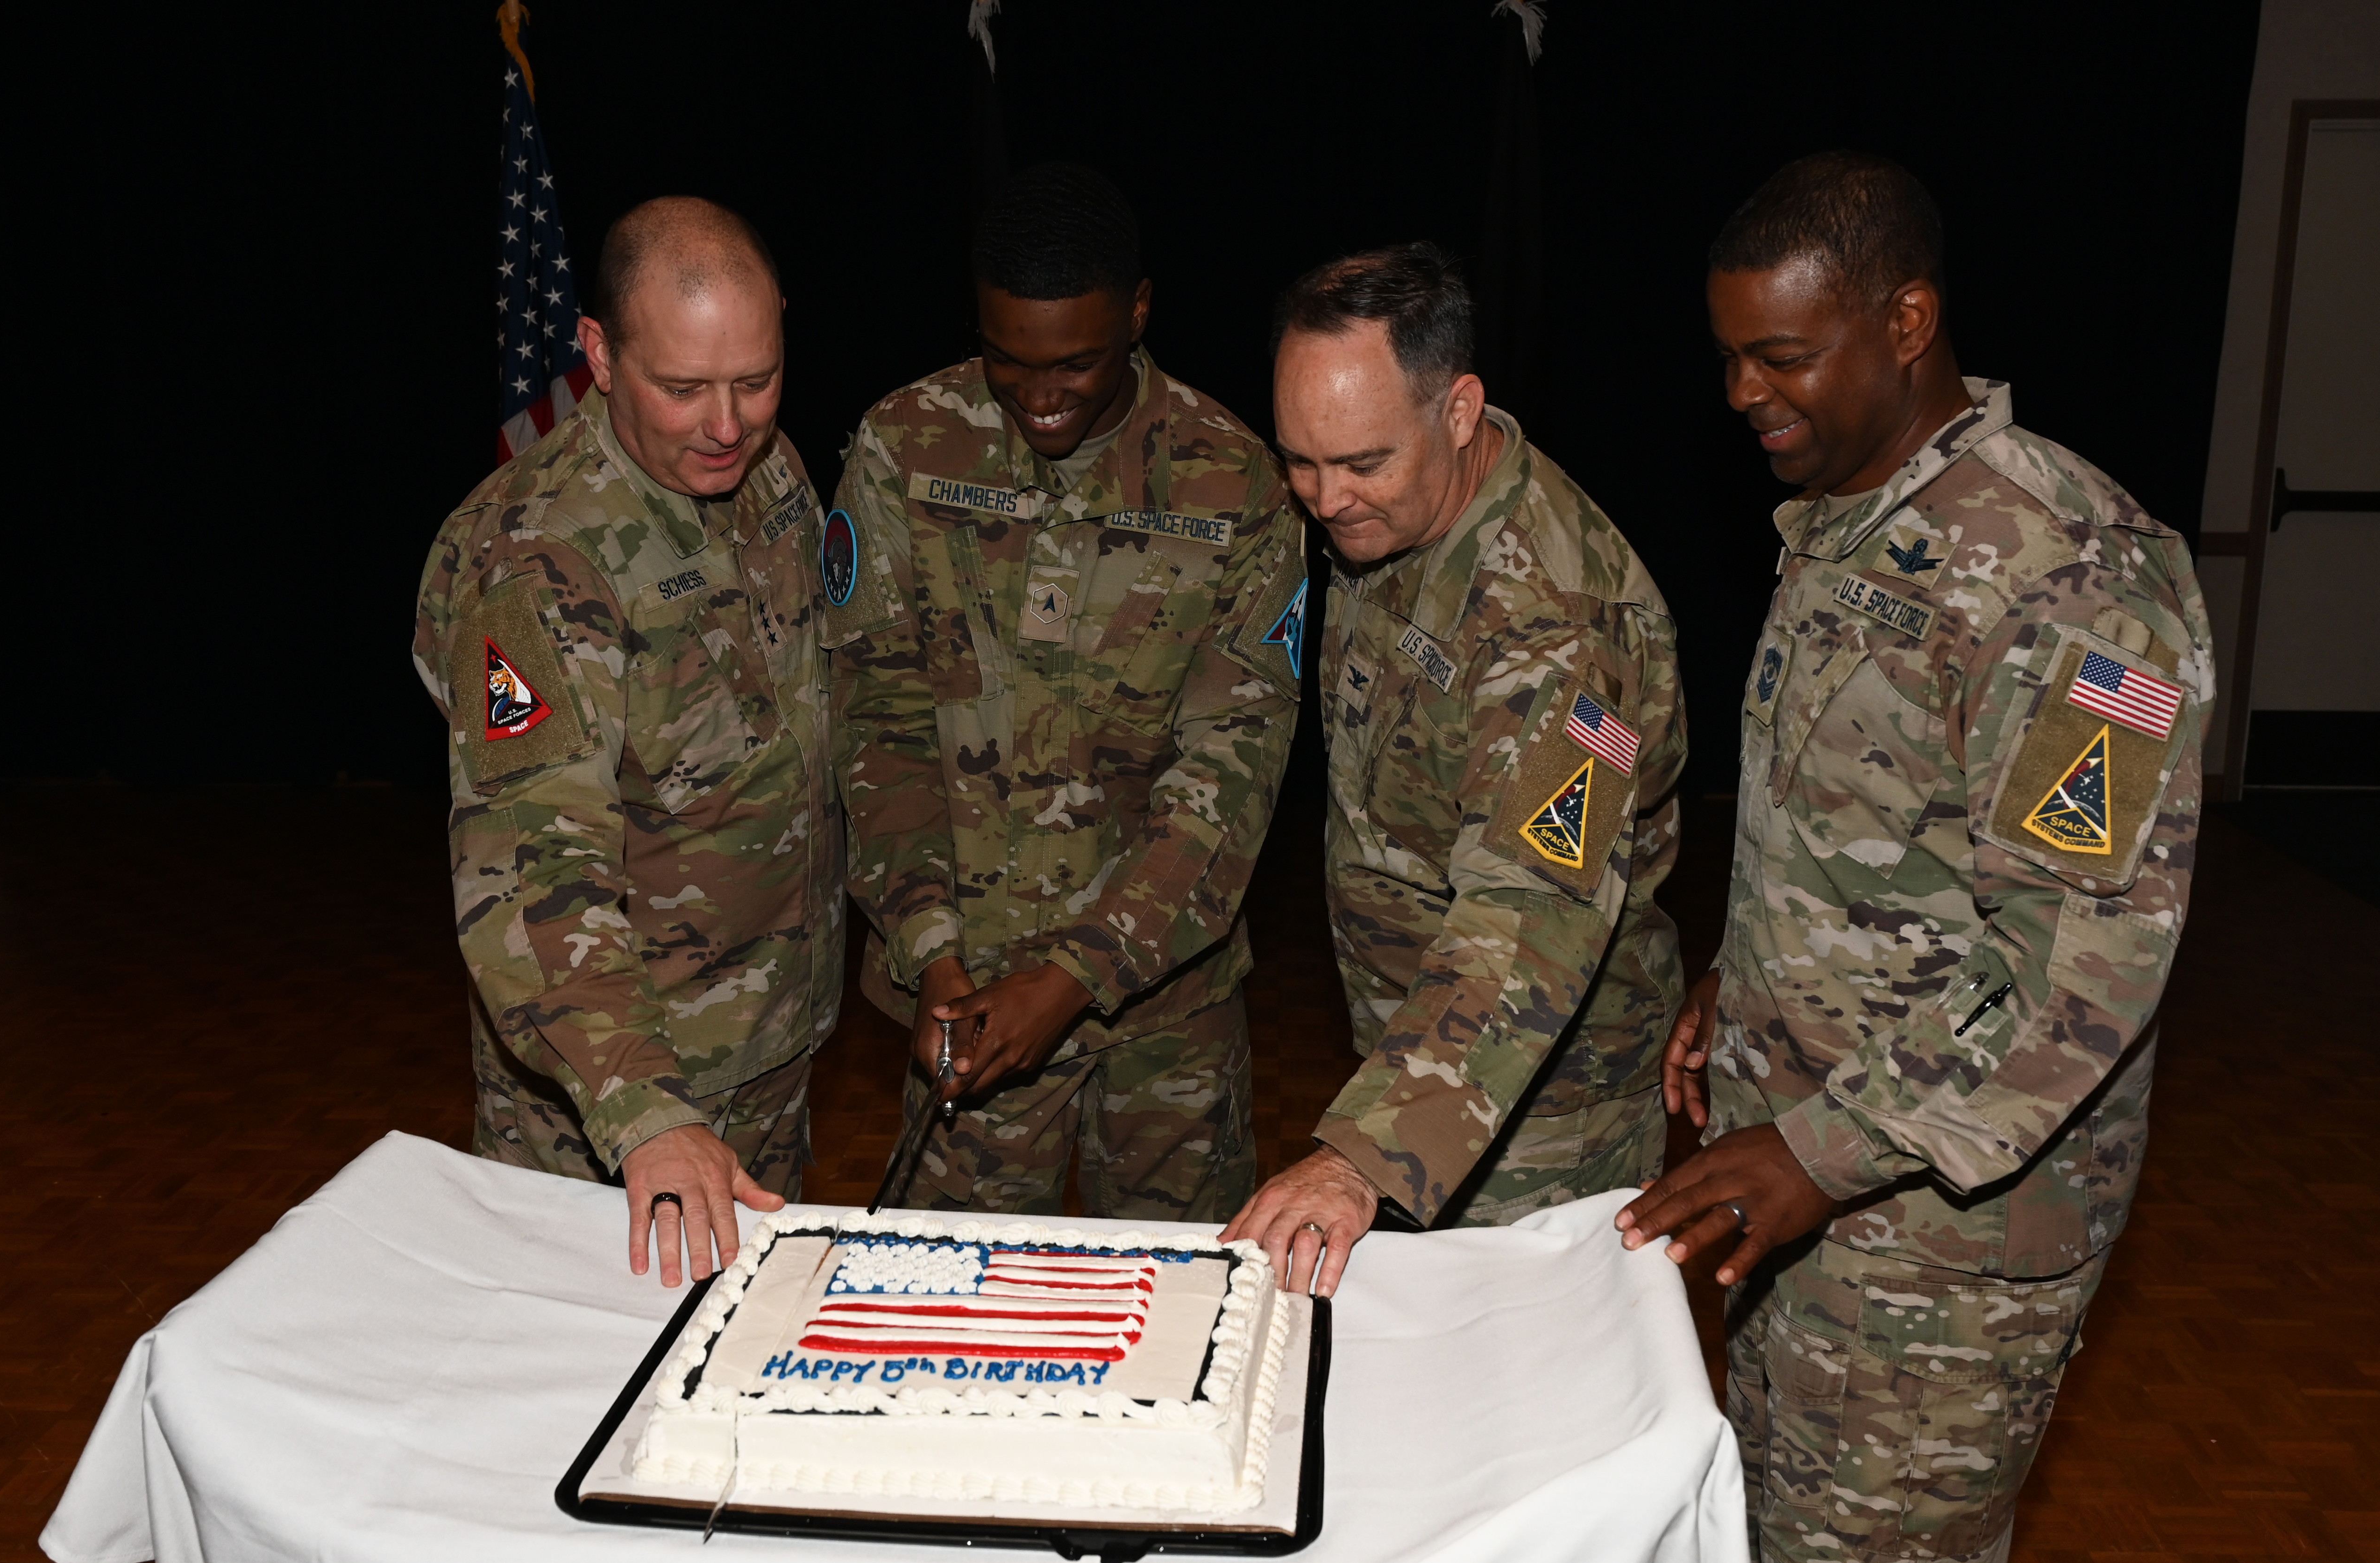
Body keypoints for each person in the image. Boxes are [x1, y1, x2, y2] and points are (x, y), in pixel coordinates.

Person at [1620, 153, 2212, 1563]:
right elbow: (1880, 853)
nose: (1743, 391)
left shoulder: (2073, 577)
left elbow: (2084, 966)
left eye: (1783, 355)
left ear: (1907, 320)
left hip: (1946, 1237)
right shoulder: (1849, 523)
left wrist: (1820, 1141)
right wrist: (1737, 988)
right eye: (1729, 355)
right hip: (1819, 1185)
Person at [821, 162, 1305, 1220]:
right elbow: (880, 727)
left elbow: (1230, 773)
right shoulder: (903, 449)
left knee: (1179, 1319)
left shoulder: (1233, 481)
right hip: (967, 999)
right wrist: (930, 950)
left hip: (1167, 1009)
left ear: (1138, 312)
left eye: (1077, 365)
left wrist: (1079, 975)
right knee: (953, 1329)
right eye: (1008, 360)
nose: (1041, 398)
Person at [1226, 244, 1687, 1296]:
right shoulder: (1397, 519)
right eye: (1300, 459)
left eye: (1361, 463)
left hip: (1534, 1115)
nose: (1325, 498)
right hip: (1417, 1066)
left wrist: (1362, 1154)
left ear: (1462, 409)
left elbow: (1530, 912)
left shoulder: (1558, 631)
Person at [412, 197, 841, 1287]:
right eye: (684, 388)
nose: (728, 424)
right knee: (584, 1399)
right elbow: (525, 868)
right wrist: (642, 1108)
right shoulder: (539, 563)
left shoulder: (770, 474)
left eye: (756, 379)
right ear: (599, 354)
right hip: (610, 1104)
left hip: (768, 1047)